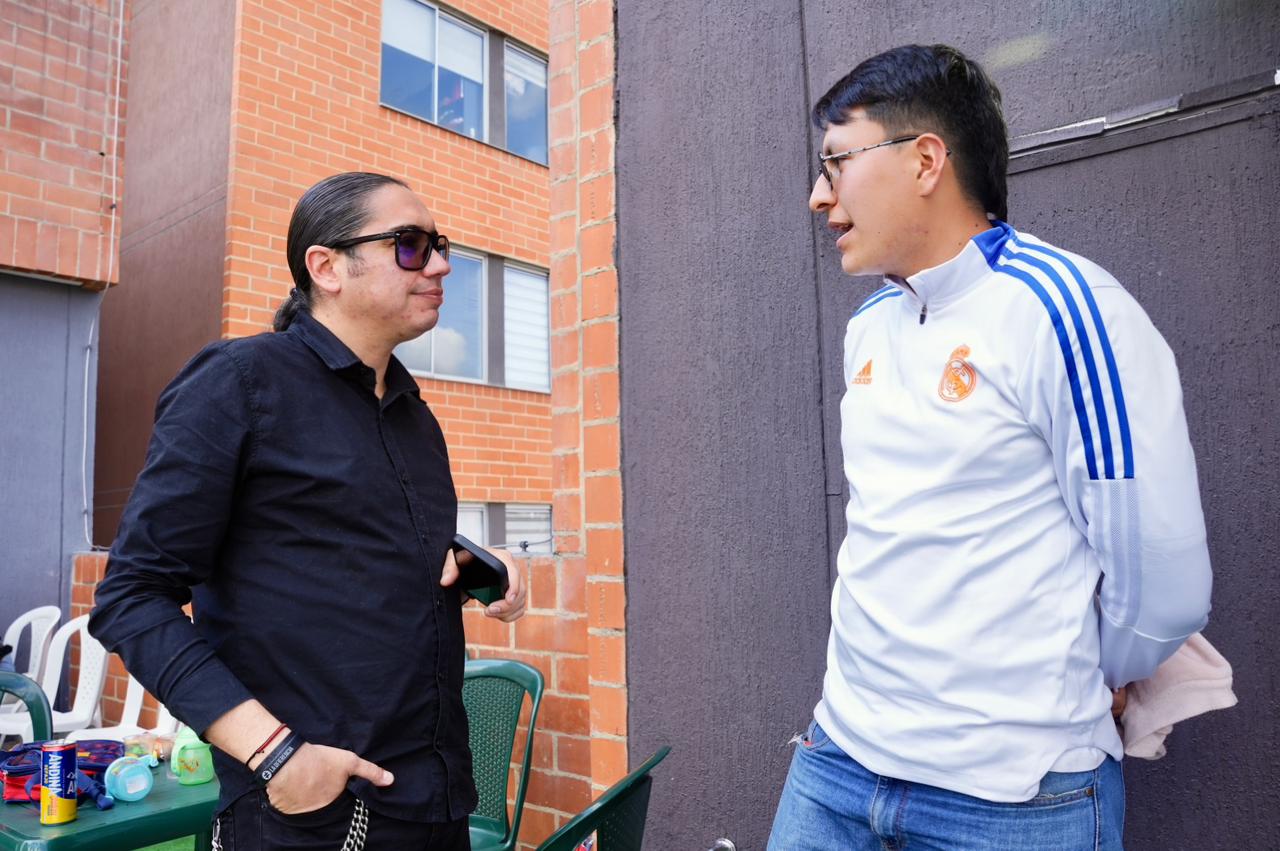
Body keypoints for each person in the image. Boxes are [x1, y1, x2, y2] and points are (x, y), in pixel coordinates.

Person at [767, 45, 1212, 850]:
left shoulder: (1063, 309)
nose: (818, 195)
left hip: (1015, 797)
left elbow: (1163, 576)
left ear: (925, 160)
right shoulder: (868, 326)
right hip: (838, 761)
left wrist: (1092, 671)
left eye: (836, 162)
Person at [90, 172, 527, 850]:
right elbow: (131, 596)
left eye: (439, 245)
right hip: (312, 815)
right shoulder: (240, 383)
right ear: (326, 267)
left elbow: (348, 549)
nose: (440, 265)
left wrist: (471, 561)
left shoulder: (414, 416)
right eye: (410, 245)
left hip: (437, 801)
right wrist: (277, 755)